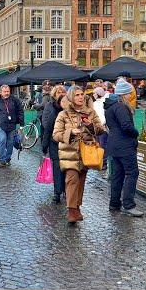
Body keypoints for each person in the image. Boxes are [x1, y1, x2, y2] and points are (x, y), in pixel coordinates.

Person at [52, 86, 106, 224]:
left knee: (80, 182)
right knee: (72, 180)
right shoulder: (63, 115)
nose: (81, 97)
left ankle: (77, 207)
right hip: (68, 153)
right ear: (71, 97)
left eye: (82, 94)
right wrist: (70, 132)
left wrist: (89, 125)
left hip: (85, 153)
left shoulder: (90, 112)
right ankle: (71, 210)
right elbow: (56, 135)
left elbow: (100, 130)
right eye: (77, 95)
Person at [104, 80, 144, 217]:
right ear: (125, 94)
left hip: (114, 145)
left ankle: (114, 204)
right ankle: (128, 205)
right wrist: (136, 132)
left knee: (118, 175)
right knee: (132, 173)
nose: (132, 96)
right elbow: (126, 126)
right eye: (130, 93)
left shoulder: (110, 107)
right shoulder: (121, 107)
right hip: (124, 146)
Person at [41, 85, 67, 203]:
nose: (60, 94)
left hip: (67, 142)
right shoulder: (49, 106)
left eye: (62, 92)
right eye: (58, 92)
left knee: (66, 167)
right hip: (54, 141)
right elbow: (46, 124)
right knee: (57, 167)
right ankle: (57, 192)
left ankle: (66, 189)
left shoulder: (69, 108)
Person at [0, 84, 24, 167]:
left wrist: (21, 124)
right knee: (2, 140)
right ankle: (2, 160)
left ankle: (8, 158)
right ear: (1, 92)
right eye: (5, 91)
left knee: (10, 142)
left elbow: (20, 111)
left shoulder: (14, 100)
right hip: (1, 125)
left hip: (11, 125)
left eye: (8, 91)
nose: (6, 93)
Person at [92, 86, 110, 171]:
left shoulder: (103, 102)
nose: (93, 94)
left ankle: (104, 162)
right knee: (99, 144)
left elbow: (103, 116)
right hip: (97, 127)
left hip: (102, 127)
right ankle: (100, 161)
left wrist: (102, 124)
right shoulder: (95, 103)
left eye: (94, 93)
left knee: (103, 145)